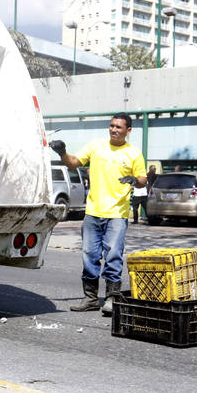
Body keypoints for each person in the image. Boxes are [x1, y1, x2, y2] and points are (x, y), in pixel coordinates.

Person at [50, 113, 147, 316]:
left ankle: (111, 298)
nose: (114, 130)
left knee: (113, 255)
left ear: (128, 131)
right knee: (89, 256)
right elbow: (74, 163)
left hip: (117, 214)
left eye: (119, 127)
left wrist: (134, 180)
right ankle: (91, 299)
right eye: (111, 126)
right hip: (93, 212)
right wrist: (63, 153)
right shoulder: (96, 146)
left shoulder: (133, 153)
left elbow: (142, 179)